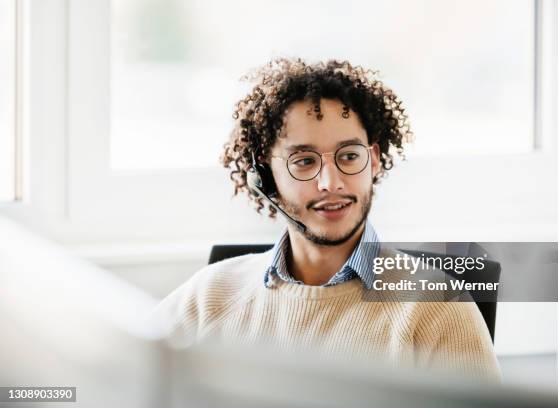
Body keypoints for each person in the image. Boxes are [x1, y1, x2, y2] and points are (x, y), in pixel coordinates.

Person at [153, 58, 501, 381]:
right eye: (304, 161)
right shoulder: (209, 296)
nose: (331, 182)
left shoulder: (438, 310)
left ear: (375, 160)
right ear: (266, 174)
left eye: (349, 156)